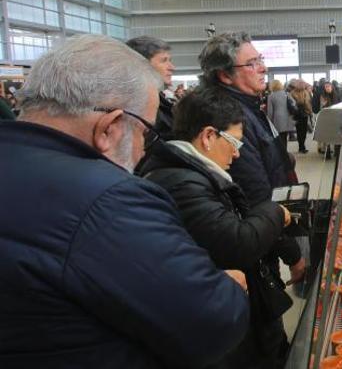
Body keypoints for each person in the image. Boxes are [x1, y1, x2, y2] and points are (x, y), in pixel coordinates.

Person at [0, 35, 249, 368]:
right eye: (145, 130)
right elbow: (212, 321)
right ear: (110, 127)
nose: (144, 148)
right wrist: (228, 288)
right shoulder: (109, 198)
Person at [139, 86, 294, 369]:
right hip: (221, 323)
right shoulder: (182, 182)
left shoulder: (192, 172)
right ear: (209, 136)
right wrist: (275, 211)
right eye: (235, 144)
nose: (236, 155)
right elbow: (238, 243)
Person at [198, 32, 306, 297]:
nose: (263, 68)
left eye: (261, 59)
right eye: (252, 63)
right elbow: (255, 193)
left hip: (268, 231)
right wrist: (292, 254)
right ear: (225, 75)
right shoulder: (230, 115)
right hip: (255, 244)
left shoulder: (249, 106)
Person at [126, 35, 176, 140]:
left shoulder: (159, 101)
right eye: (164, 61)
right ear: (142, 65)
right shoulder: (136, 107)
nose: (172, 67)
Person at [266, 79, 298, 145]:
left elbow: (270, 112)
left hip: (277, 119)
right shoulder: (286, 93)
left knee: (279, 139)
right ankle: (285, 153)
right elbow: (294, 103)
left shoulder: (271, 96)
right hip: (287, 118)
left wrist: (269, 123)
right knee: (284, 137)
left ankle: (281, 153)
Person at [314, 80, 339, 157]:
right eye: (326, 87)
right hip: (325, 117)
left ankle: (335, 151)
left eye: (329, 86)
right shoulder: (323, 96)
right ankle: (326, 151)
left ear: (332, 87)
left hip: (335, 116)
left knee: (335, 135)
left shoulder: (336, 95)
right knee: (327, 136)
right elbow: (321, 107)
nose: (328, 88)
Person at [290, 80, 313, 154]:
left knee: (298, 130)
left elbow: (291, 103)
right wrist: (310, 111)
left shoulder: (292, 93)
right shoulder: (305, 92)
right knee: (303, 131)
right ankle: (302, 147)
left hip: (296, 114)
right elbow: (307, 103)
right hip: (304, 113)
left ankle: (300, 146)